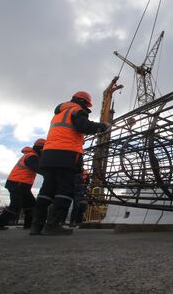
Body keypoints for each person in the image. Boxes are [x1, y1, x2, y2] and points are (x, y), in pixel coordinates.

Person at [30, 91, 110, 236]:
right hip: (66, 154)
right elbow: (83, 126)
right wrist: (103, 126)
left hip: (48, 155)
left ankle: (36, 226)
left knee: (47, 190)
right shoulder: (77, 110)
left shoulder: (59, 113)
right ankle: (54, 225)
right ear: (83, 102)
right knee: (65, 190)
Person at [0, 139, 46, 231]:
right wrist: (50, 174)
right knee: (15, 205)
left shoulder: (31, 155)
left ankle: (28, 225)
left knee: (31, 205)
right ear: (41, 148)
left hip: (21, 185)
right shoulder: (32, 156)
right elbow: (38, 168)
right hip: (18, 184)